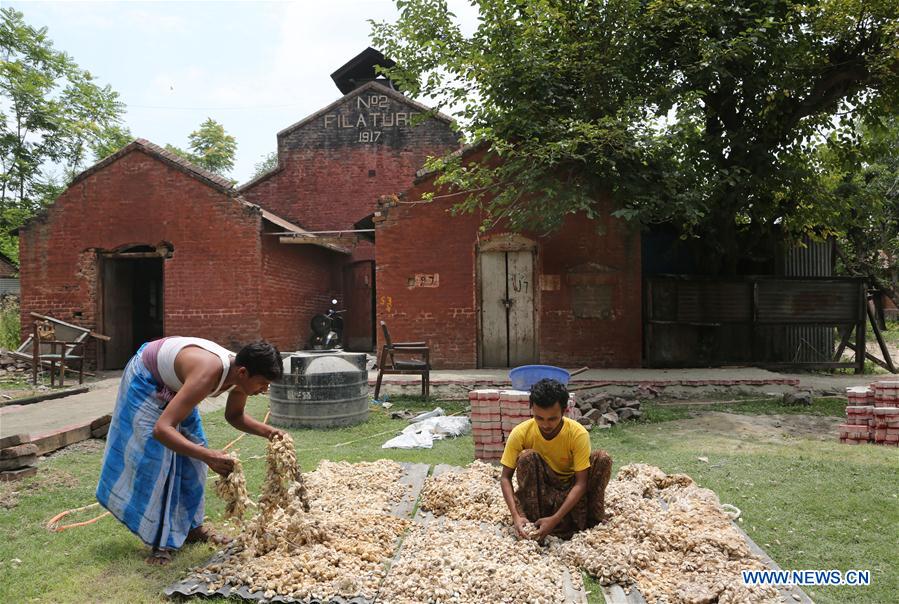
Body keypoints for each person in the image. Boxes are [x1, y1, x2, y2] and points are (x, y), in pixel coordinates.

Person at [96, 337, 284, 565]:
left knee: (194, 450)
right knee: (158, 459)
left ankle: (193, 529)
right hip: (147, 379)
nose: (264, 390)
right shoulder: (207, 373)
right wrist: (207, 456)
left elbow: (234, 416)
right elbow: (161, 430)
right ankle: (159, 543)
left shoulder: (240, 377)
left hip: (177, 386)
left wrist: (270, 432)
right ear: (244, 372)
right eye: (263, 384)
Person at [500, 378, 612, 541]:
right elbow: (505, 477)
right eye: (539, 418)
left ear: (564, 411)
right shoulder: (521, 433)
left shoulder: (577, 434)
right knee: (527, 457)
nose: (545, 424)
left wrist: (555, 518)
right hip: (542, 490)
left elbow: (581, 483)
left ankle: (591, 520)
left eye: (552, 419)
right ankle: (532, 519)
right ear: (531, 409)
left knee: (602, 458)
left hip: (570, 488)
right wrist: (516, 516)